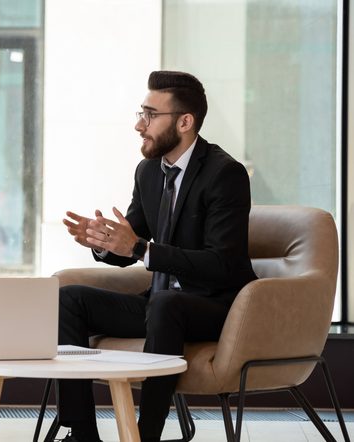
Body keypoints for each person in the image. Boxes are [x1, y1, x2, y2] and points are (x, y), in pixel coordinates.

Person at [57, 70, 257, 442]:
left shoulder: (224, 174)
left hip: (214, 306)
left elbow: (221, 265)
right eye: (140, 113)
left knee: (167, 303)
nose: (138, 125)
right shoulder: (149, 171)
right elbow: (131, 244)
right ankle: (81, 432)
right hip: (160, 304)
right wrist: (102, 242)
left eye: (149, 115)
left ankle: (144, 436)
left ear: (185, 122)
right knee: (68, 299)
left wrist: (137, 248)